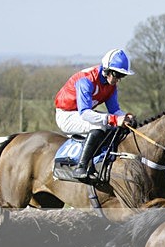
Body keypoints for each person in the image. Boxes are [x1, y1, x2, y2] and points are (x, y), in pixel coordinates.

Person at [54, 48, 136, 180]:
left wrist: (126, 117)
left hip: (83, 114)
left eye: (122, 76)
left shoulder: (111, 86)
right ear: (107, 70)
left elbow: (115, 110)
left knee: (114, 127)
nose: (118, 80)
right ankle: (81, 167)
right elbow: (85, 113)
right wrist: (114, 119)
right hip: (67, 115)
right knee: (99, 127)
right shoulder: (86, 80)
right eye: (117, 75)